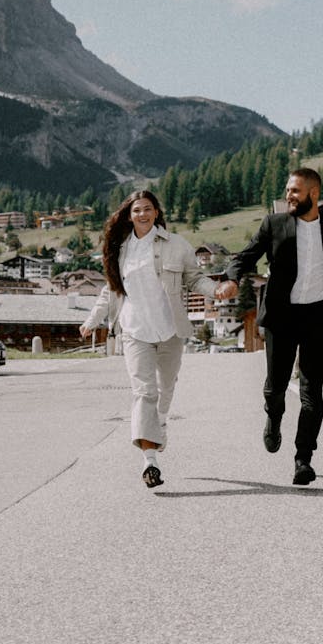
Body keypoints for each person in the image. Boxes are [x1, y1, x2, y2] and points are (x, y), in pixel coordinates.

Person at [214, 167, 323, 487]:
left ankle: (304, 458)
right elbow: (247, 256)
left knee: (312, 389)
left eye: (295, 191)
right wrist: (232, 278)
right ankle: (273, 418)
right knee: (276, 385)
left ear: (313, 194)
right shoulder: (274, 224)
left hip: (319, 315)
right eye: (287, 191)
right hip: (282, 317)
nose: (289, 196)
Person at [80, 190, 222, 489]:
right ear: (128, 215)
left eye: (147, 209)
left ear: (156, 212)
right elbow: (111, 289)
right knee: (145, 392)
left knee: (165, 388)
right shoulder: (120, 249)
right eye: (136, 210)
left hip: (170, 329)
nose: (142, 214)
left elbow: (194, 278)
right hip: (133, 330)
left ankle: (161, 423)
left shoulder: (177, 245)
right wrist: (93, 320)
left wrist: (216, 290)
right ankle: (150, 461)